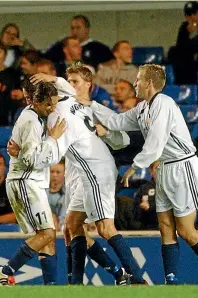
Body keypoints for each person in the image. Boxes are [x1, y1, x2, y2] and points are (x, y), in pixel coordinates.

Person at [83, 64, 198, 285]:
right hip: (164, 168)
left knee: (185, 230)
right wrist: (91, 104)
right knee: (164, 226)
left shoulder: (164, 103)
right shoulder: (144, 107)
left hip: (183, 167)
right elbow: (117, 121)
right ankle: (171, 280)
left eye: (138, 79)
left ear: (149, 83)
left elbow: (156, 142)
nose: (135, 82)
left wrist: (135, 166)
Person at [29, 67, 143, 285]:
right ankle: (76, 284)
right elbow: (65, 86)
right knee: (71, 224)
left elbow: (50, 156)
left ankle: (137, 279)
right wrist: (54, 78)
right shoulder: (75, 103)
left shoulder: (62, 114)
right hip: (84, 170)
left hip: (95, 171)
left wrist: (43, 146)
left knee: (106, 229)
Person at [0, 82, 64, 286]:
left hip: (31, 181)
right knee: (47, 233)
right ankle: (4, 272)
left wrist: (22, 151)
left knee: (47, 238)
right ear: (37, 101)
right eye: (49, 105)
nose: (52, 109)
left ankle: (51, 288)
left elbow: (28, 154)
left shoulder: (33, 114)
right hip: (25, 181)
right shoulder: (32, 122)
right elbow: (32, 160)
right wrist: (52, 139)